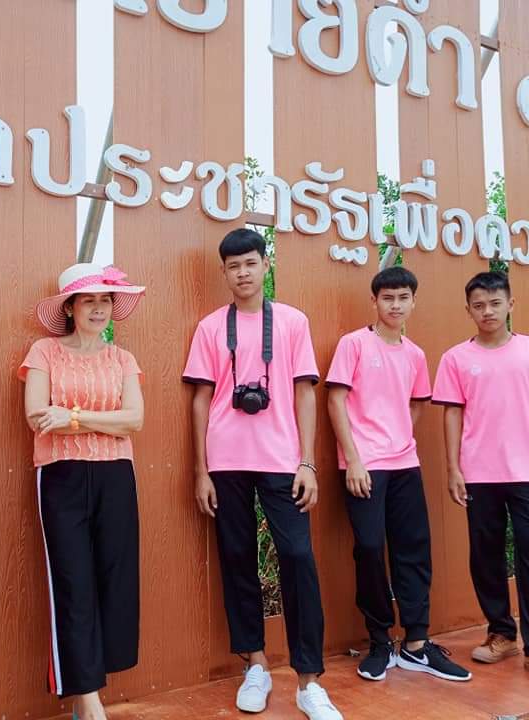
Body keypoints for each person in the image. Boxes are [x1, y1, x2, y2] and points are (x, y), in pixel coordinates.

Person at [183, 228, 342, 720]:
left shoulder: (292, 322)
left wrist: (307, 462)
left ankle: (309, 680)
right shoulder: (211, 327)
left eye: (250, 263)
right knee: (237, 558)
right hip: (226, 460)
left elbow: (305, 392)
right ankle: (255, 664)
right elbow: (201, 399)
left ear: (265, 264)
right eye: (233, 266)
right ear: (224, 272)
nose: (243, 273)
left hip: (281, 460)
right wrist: (201, 470)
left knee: (298, 557)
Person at [325, 266, 471, 683]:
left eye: (403, 298)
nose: (395, 305)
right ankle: (379, 641)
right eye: (387, 297)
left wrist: (399, 434)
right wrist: (354, 459)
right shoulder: (354, 344)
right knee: (370, 549)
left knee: (413, 549)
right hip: (364, 466)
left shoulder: (415, 354)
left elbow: (417, 401)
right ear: (374, 301)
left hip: (405, 463)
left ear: (413, 302)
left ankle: (416, 644)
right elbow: (336, 400)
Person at [433, 271, 529, 690]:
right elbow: (452, 414)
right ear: (468, 310)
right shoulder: (456, 358)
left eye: (495, 303)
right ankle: (501, 632)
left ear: (510, 305)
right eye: (479, 305)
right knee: (485, 556)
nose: (488, 312)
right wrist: (453, 468)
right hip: (479, 474)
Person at [20, 263, 146, 720]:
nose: (98, 308)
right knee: (72, 580)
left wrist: (72, 417)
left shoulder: (123, 360)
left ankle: (90, 685)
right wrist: (102, 421)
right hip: (61, 475)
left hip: (116, 475)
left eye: (105, 300)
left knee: (116, 578)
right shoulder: (44, 352)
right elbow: (37, 415)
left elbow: (135, 420)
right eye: (88, 300)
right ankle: (87, 698)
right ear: (70, 308)